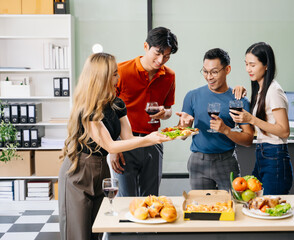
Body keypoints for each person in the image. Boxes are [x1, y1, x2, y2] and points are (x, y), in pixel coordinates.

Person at [58, 53, 171, 240]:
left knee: (97, 230)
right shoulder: (86, 108)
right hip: (79, 172)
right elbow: (110, 145)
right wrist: (150, 139)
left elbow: (128, 139)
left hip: (101, 170)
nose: (118, 78)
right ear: (100, 77)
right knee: (78, 235)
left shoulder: (117, 104)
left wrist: (162, 135)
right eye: (114, 74)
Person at [110, 27, 178, 197]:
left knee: (151, 198)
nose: (161, 60)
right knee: (126, 199)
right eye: (158, 53)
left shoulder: (169, 76)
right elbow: (108, 112)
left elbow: (169, 110)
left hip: (153, 142)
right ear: (146, 46)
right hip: (125, 142)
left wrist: (165, 113)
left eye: (167, 56)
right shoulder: (122, 71)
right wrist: (113, 148)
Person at [176, 48, 254, 190]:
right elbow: (181, 136)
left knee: (231, 208)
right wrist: (184, 126)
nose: (209, 77)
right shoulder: (192, 96)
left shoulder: (238, 99)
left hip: (227, 161)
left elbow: (248, 139)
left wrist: (226, 130)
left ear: (227, 69)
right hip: (198, 162)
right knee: (201, 209)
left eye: (214, 72)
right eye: (205, 71)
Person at [231, 42, 293, 195]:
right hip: (263, 153)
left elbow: (284, 131)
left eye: (252, 65)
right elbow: (260, 126)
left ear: (266, 65)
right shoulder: (260, 90)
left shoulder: (274, 91)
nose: (248, 69)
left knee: (271, 207)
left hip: (275, 155)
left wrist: (251, 119)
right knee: (255, 201)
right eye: (246, 64)